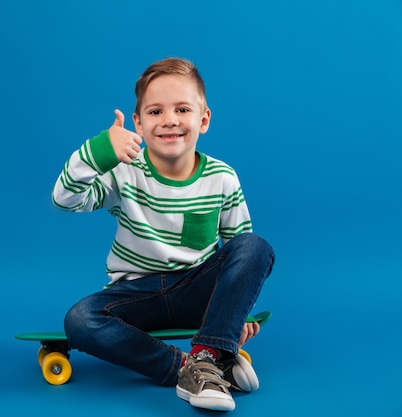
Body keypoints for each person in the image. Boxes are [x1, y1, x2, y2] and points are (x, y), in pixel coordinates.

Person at [51, 57, 275, 412]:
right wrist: (98, 153)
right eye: (155, 112)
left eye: (182, 109)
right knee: (79, 320)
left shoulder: (222, 177)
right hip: (137, 295)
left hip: (195, 291)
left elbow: (238, 251)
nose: (169, 120)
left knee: (256, 246)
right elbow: (65, 200)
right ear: (138, 123)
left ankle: (210, 350)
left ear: (203, 120)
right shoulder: (124, 172)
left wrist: (238, 312)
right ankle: (192, 368)